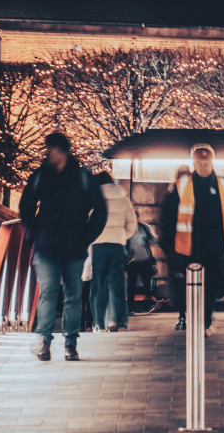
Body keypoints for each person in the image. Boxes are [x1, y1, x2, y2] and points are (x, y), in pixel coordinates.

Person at [19, 132, 107, 362]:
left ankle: (70, 343)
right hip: (48, 244)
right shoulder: (41, 176)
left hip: (73, 244)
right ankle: (45, 341)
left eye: (52, 150)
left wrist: (86, 236)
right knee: (48, 292)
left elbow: (100, 209)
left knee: (73, 295)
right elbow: (26, 205)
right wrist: (33, 231)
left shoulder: (81, 176)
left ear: (63, 151)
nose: (49, 154)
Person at [160, 144, 224, 337]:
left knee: (212, 285)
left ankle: (205, 319)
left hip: (215, 246)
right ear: (193, 163)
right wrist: (169, 244)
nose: (203, 166)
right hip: (190, 246)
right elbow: (169, 217)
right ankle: (200, 319)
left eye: (206, 162)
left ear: (212, 162)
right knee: (192, 286)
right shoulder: (183, 185)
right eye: (199, 162)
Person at [90, 170, 137, 332]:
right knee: (116, 284)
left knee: (98, 284)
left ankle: (98, 322)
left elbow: (87, 221)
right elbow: (132, 225)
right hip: (117, 245)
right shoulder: (123, 198)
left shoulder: (94, 197)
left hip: (98, 244)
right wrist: (122, 237)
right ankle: (115, 322)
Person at [159, 165, 191, 330]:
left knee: (178, 284)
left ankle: (182, 316)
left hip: (176, 249)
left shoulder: (170, 197)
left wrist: (166, 247)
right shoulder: (196, 195)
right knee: (195, 282)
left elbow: (164, 224)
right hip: (194, 247)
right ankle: (197, 315)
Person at [126, 215, 157, 312]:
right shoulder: (129, 228)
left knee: (146, 284)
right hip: (133, 260)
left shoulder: (144, 227)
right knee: (131, 285)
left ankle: (147, 303)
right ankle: (131, 306)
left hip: (143, 259)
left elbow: (152, 239)